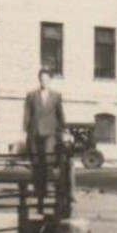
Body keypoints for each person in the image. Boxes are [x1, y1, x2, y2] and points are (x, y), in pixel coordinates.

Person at [24, 68, 67, 206]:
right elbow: (27, 115)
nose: (44, 81)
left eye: (47, 79)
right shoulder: (31, 95)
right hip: (35, 133)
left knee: (48, 160)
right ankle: (38, 190)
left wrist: (63, 131)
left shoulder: (56, 96)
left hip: (50, 133)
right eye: (42, 79)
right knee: (36, 162)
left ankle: (47, 188)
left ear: (50, 80)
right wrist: (26, 130)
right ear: (39, 80)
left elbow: (60, 115)